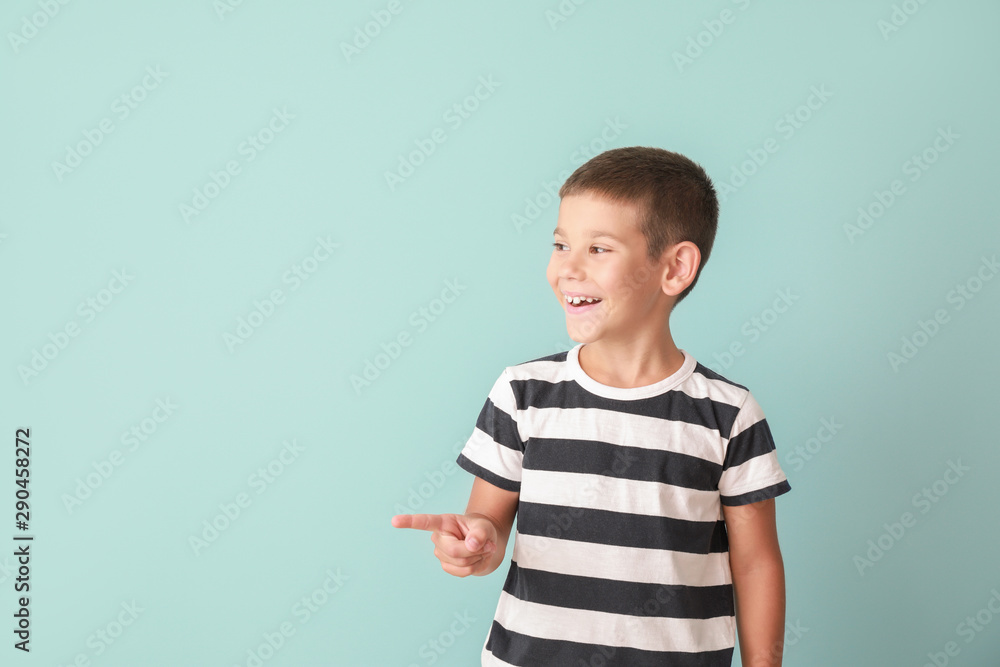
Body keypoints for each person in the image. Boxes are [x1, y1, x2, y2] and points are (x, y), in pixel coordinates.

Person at [392, 146, 791, 666]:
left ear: (675, 268)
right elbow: (487, 525)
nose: (568, 268)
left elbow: (757, 564)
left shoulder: (728, 414)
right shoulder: (522, 393)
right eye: (560, 244)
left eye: (599, 249)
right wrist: (475, 543)